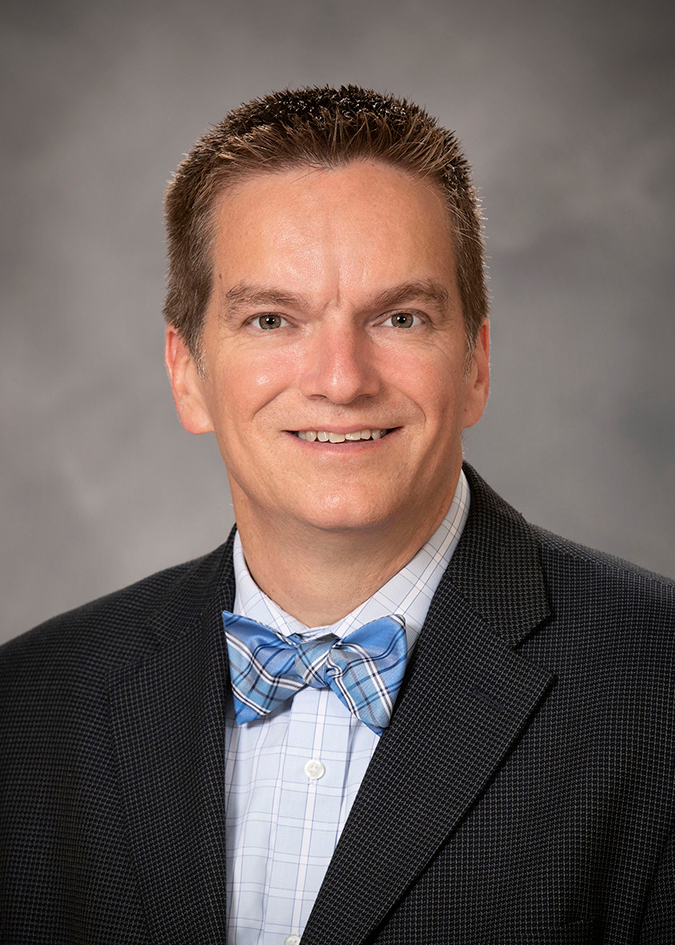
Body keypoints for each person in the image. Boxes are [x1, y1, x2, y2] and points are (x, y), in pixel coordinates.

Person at [1, 85, 673, 945]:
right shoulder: (26, 708)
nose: (341, 378)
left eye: (400, 317)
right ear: (187, 373)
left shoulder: (655, 686)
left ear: (475, 363)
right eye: (271, 319)